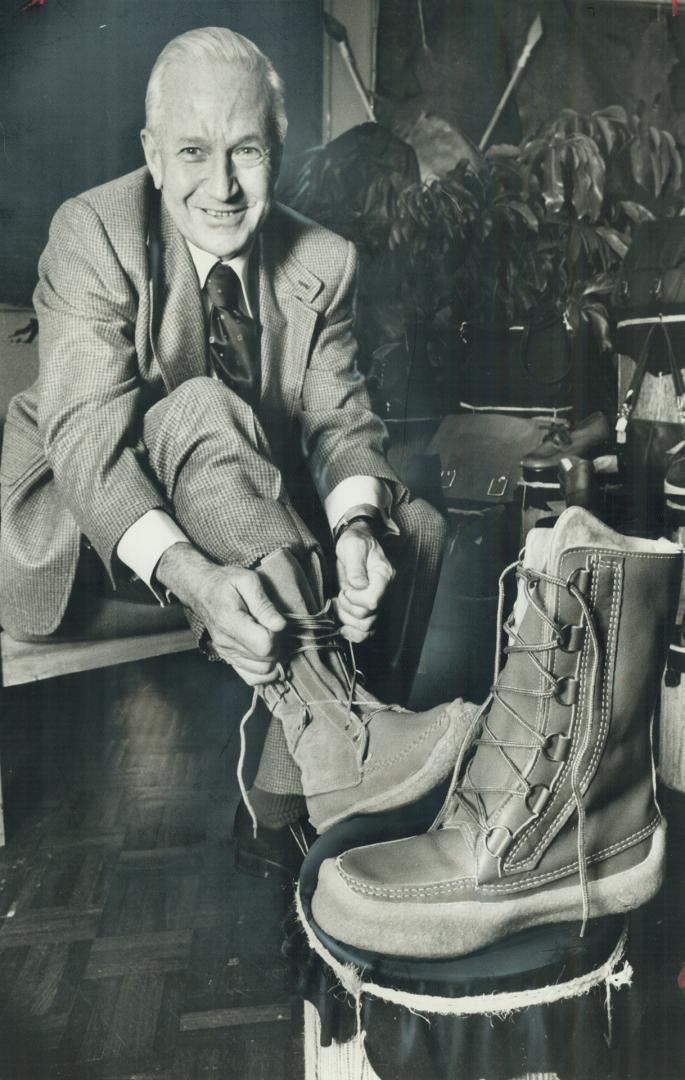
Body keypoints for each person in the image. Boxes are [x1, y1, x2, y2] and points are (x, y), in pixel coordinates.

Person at [0, 27, 472, 869]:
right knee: (201, 408)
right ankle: (341, 737)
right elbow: (86, 446)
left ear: (279, 150)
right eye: (192, 151)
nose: (220, 185)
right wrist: (197, 579)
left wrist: (358, 530)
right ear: (151, 154)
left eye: (245, 151)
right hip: (81, 543)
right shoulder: (93, 232)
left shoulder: (322, 260)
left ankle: (324, 799)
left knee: (412, 524)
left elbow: (338, 422)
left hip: (234, 520)